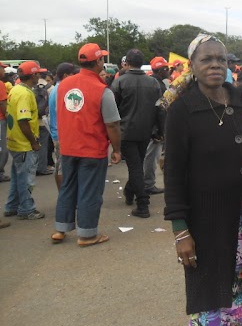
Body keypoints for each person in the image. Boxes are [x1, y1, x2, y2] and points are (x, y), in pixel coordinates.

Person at [163, 33, 242, 326]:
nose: (214, 65)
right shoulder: (182, 110)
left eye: (220, 59)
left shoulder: (239, 99)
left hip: (239, 218)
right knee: (208, 299)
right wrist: (180, 230)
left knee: (236, 293)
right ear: (192, 66)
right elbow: (173, 174)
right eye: (206, 59)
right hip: (203, 222)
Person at [52, 43, 121, 246]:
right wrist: (116, 149)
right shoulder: (102, 90)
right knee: (89, 191)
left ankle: (60, 229)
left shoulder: (64, 85)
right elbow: (113, 125)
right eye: (102, 59)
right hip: (91, 149)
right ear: (98, 61)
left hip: (68, 147)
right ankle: (87, 234)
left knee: (67, 188)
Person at [111, 49, 163, 218]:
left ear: (127, 62)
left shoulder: (120, 82)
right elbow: (160, 109)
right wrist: (160, 130)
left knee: (135, 167)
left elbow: (113, 109)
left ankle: (142, 204)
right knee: (137, 166)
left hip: (126, 132)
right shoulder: (153, 83)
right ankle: (130, 191)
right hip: (145, 131)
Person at [3, 61, 47, 220]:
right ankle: (27, 209)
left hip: (14, 140)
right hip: (23, 143)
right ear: (33, 75)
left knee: (17, 176)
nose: (40, 76)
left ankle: (12, 206)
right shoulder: (25, 93)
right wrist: (34, 142)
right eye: (38, 73)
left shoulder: (15, 89)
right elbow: (23, 121)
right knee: (26, 179)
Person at [142, 56, 171, 196]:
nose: (169, 71)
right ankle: (148, 184)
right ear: (161, 71)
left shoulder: (149, 82)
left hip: (147, 125)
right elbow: (160, 110)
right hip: (155, 128)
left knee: (150, 157)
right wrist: (161, 130)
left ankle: (145, 183)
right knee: (151, 157)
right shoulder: (158, 85)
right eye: (167, 69)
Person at [48, 63, 78, 191]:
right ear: (66, 75)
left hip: (57, 132)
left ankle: (64, 195)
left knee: (60, 165)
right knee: (62, 167)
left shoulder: (57, 88)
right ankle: (64, 196)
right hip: (61, 133)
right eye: (73, 74)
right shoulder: (62, 89)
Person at [0, 61, 10, 182]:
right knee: (3, 149)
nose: (4, 71)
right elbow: (2, 103)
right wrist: (10, 119)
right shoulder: (1, 84)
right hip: (1, 119)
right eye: (2, 68)